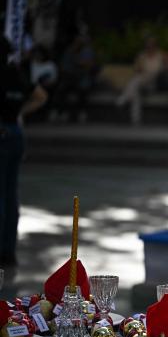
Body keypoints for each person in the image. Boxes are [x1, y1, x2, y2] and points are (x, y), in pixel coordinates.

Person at [0, 36, 47, 268]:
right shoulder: (16, 73)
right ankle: (8, 251)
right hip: (16, 132)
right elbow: (41, 96)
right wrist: (20, 113)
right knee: (10, 194)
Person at [116, 36, 168, 124]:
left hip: (154, 82)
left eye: (152, 45)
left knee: (139, 80)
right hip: (143, 82)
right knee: (136, 91)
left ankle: (123, 99)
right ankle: (136, 120)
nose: (150, 47)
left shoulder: (160, 54)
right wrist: (139, 67)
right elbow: (136, 69)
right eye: (148, 45)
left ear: (155, 46)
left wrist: (166, 67)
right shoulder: (142, 55)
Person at [52, 32, 100, 122]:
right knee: (61, 90)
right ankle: (61, 112)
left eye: (81, 40)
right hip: (69, 78)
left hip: (82, 78)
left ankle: (81, 113)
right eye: (77, 40)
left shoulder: (87, 51)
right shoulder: (69, 51)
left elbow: (89, 65)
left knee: (82, 89)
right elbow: (63, 67)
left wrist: (78, 61)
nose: (79, 42)